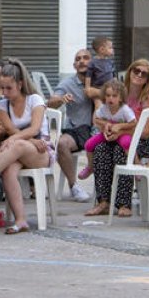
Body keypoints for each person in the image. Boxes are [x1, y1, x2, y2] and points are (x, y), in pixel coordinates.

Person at [86, 59, 149, 217]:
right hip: (118, 137)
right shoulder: (117, 91)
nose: (139, 75)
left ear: (148, 79)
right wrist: (107, 128)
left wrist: (120, 131)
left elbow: (146, 132)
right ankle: (103, 202)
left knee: (121, 151)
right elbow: (99, 117)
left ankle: (123, 203)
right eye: (136, 71)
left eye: (144, 74)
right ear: (130, 71)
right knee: (100, 149)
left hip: (142, 141)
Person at [0, 59, 52, 234]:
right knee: (8, 171)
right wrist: (25, 140)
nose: (4, 92)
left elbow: (35, 128)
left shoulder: (34, 99)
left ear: (20, 84)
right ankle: (20, 220)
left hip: (41, 151)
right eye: (2, 88)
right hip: (20, 149)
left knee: (17, 145)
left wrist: (17, 139)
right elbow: (10, 129)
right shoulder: (2, 105)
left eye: (9, 88)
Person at [47, 49, 96, 203]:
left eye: (86, 58)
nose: (82, 61)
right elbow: (51, 102)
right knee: (61, 143)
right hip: (78, 129)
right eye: (78, 59)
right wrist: (62, 99)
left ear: (93, 62)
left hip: (101, 130)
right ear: (74, 65)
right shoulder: (68, 84)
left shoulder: (102, 80)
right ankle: (74, 186)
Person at [78, 79, 135, 180]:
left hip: (122, 133)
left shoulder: (124, 109)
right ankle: (90, 167)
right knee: (88, 145)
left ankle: (134, 165)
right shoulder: (104, 108)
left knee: (127, 143)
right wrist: (106, 124)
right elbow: (96, 119)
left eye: (114, 96)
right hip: (108, 133)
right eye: (108, 95)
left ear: (121, 98)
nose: (110, 98)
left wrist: (120, 126)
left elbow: (134, 123)